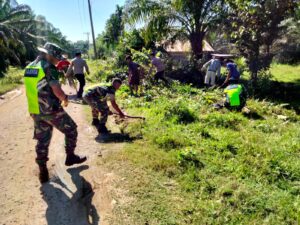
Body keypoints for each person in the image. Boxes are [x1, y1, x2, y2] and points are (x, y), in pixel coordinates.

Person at [24, 43, 87, 184]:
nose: (57, 60)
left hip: (35, 110)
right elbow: (56, 89)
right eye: (56, 57)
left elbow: (30, 89)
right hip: (50, 110)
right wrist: (65, 99)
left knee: (42, 140)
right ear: (48, 54)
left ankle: (42, 170)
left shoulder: (29, 68)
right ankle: (70, 157)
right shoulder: (48, 67)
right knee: (71, 129)